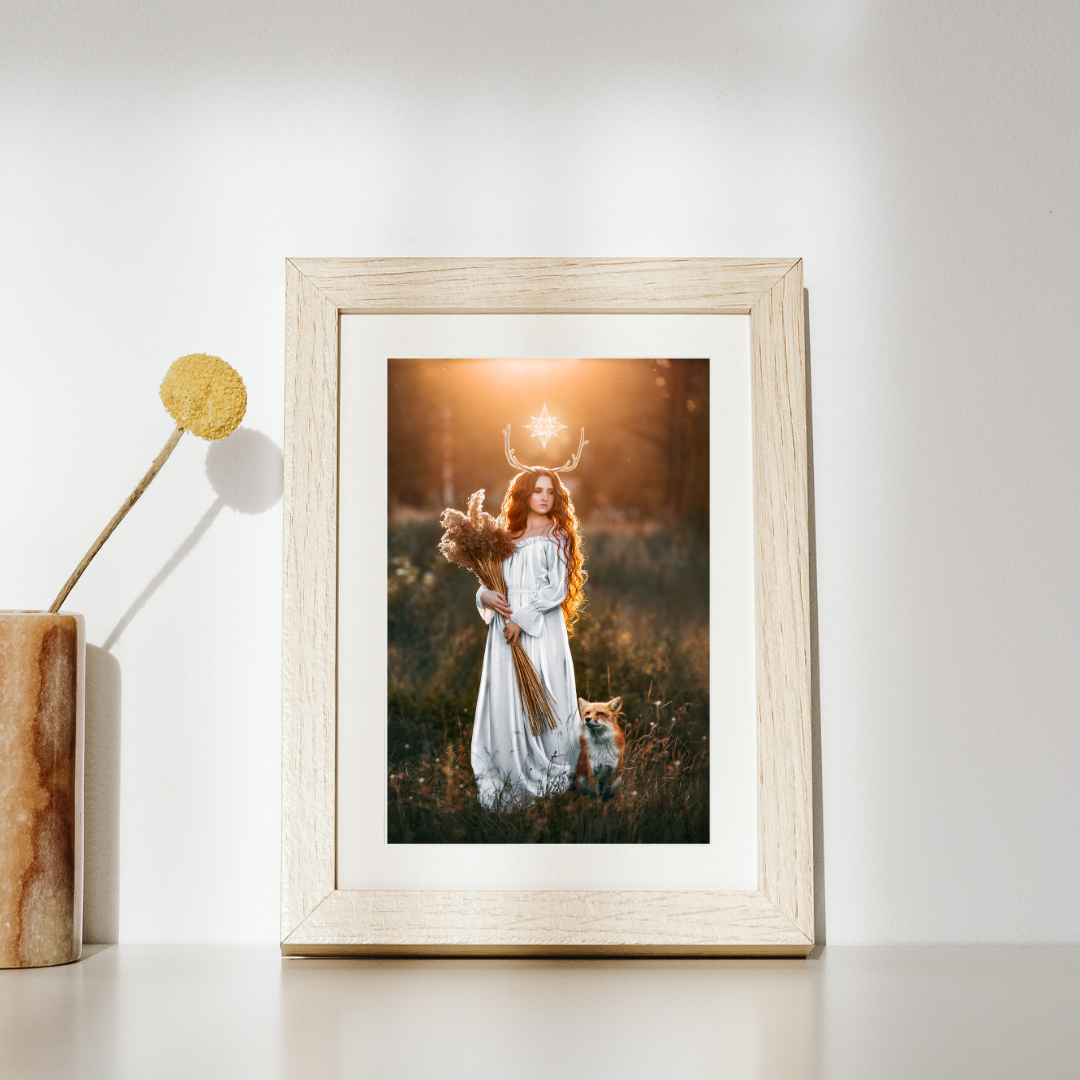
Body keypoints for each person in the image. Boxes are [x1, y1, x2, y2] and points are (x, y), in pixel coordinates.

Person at [471, 468, 587, 809]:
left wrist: (521, 620)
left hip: (537, 627)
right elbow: (491, 580)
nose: (544, 497)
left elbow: (557, 589)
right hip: (502, 629)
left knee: (542, 692)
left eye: (550, 491)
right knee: (507, 697)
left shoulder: (558, 535)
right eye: (537, 490)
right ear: (524, 494)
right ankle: (508, 765)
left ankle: (547, 767)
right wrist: (483, 596)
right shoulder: (506, 535)